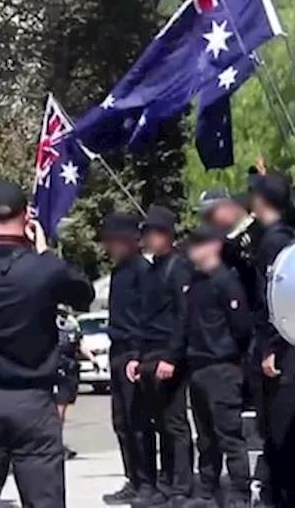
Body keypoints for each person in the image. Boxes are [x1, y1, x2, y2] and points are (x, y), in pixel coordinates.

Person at [0, 179, 95, 507]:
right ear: (27, 217)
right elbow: (83, 294)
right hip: (33, 399)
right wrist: (43, 251)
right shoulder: (45, 269)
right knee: (44, 498)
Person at [250, 173, 295, 508]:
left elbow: (277, 297)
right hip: (287, 340)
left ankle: (285, 497)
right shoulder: (286, 237)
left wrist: (272, 347)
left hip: (281, 344)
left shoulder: (276, 241)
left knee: (281, 428)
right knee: (278, 427)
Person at [180, 223, 254, 508]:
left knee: (228, 435)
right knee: (206, 437)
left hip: (222, 366)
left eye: (197, 245)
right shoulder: (195, 283)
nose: (191, 251)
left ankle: (239, 493)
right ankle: (207, 489)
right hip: (197, 366)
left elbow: (241, 327)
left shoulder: (227, 281)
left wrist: (231, 355)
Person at [128, 205, 193, 507]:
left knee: (175, 423)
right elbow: (144, 317)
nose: (147, 239)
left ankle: (181, 485)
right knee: (158, 423)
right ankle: (165, 482)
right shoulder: (152, 269)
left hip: (168, 354)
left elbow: (183, 316)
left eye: (152, 233)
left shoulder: (178, 266)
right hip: (149, 353)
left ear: (166, 234)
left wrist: (172, 356)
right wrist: (137, 357)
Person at [98, 212, 152, 506]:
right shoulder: (120, 271)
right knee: (122, 421)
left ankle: (147, 479)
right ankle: (132, 476)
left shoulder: (143, 270)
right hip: (117, 349)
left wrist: (139, 354)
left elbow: (146, 317)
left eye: (113, 241)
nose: (109, 247)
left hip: (134, 351)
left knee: (139, 420)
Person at [55, 307, 92, 461]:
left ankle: (57, 443)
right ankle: (55, 445)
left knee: (61, 411)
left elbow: (79, 343)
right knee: (58, 411)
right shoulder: (47, 320)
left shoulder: (71, 323)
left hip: (69, 369)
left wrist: (92, 358)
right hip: (57, 369)